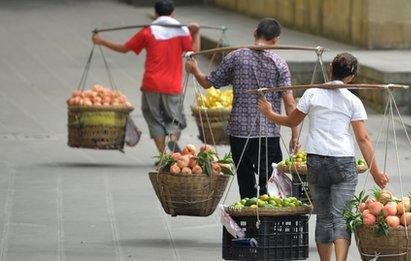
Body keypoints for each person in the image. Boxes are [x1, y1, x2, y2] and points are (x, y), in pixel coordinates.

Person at [258, 53, 389, 261]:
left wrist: (269, 114)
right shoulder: (353, 101)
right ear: (351, 77)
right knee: (341, 217)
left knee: (324, 217)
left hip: (316, 161)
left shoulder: (312, 94)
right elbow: (363, 139)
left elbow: (292, 121)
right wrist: (376, 173)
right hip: (343, 162)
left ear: (330, 69)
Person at [185, 18, 300, 199]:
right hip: (267, 133)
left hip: (239, 132)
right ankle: (267, 220)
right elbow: (290, 103)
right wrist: (294, 135)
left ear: (255, 32)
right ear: (276, 40)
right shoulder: (279, 63)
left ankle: (248, 221)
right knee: (271, 181)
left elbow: (208, 82)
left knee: (245, 181)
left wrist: (195, 70)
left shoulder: (235, 57)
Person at [92, 0, 200, 154]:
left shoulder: (148, 32)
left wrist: (101, 41)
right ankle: (172, 140)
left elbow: (124, 48)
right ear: (173, 13)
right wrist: (196, 33)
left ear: (155, 14)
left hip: (151, 84)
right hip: (172, 86)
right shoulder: (182, 32)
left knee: (154, 119)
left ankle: (163, 156)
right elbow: (194, 51)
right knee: (174, 119)